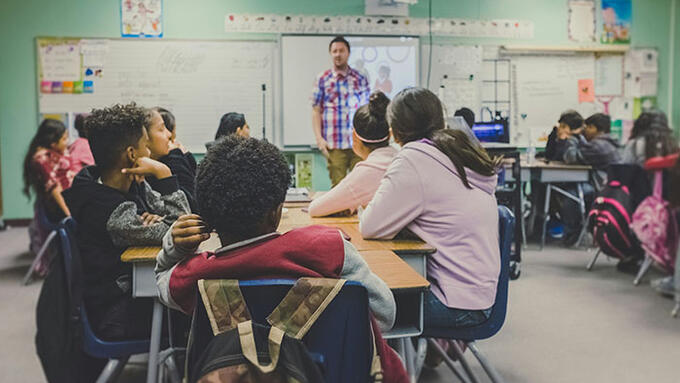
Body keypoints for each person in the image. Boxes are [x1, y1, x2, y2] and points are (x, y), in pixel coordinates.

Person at [154, 136, 408, 383]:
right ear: (276, 212)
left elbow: (161, 280)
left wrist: (173, 247)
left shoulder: (195, 275)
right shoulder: (328, 249)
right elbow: (385, 314)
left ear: (208, 217)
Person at [359, 88, 501, 361]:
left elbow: (371, 227)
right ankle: (424, 359)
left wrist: (364, 209)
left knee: (353, 304)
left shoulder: (414, 158)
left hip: (455, 304)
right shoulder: (460, 151)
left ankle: (391, 372)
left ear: (394, 130)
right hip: (480, 295)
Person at [62, 103, 190, 342]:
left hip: (129, 293)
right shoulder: (110, 211)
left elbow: (173, 221)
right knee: (197, 309)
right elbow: (184, 230)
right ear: (132, 154)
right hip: (116, 312)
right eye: (145, 147)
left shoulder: (130, 182)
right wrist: (163, 172)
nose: (150, 154)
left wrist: (161, 222)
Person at [308, 91, 396, 217]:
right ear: (390, 134)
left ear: (354, 136)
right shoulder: (401, 158)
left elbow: (315, 209)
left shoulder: (366, 171)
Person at [312, 36, 371, 187]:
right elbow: (316, 110)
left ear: (348, 53)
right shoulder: (322, 79)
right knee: (337, 188)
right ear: (331, 54)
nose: (338, 54)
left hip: (358, 143)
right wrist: (319, 139)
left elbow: (367, 110)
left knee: (360, 186)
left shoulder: (360, 78)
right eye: (334, 51)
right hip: (334, 144)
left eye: (341, 51)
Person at [23, 119, 76, 256]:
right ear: (53, 142)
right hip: (58, 208)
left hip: (68, 199)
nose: (67, 142)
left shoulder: (55, 152)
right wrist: (69, 214)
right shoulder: (41, 158)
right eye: (64, 139)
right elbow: (54, 189)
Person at [149, 107, 199, 212]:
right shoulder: (172, 159)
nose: (170, 135)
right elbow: (189, 206)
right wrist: (176, 155)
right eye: (161, 129)